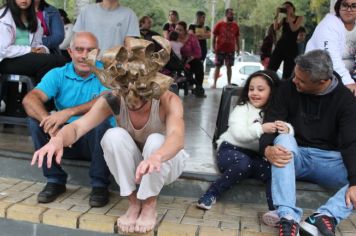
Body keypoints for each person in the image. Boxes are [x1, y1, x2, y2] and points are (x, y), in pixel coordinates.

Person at [31, 36, 188, 234]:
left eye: (140, 96)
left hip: (166, 162)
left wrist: (157, 156)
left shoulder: (168, 99)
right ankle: (133, 203)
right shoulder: (114, 98)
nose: (133, 103)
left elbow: (177, 136)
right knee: (113, 135)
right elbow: (79, 127)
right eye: (127, 95)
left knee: (156, 141)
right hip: (135, 164)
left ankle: (149, 205)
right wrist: (58, 140)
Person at [260, 50, 356, 236]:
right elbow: (271, 122)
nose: (295, 81)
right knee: (284, 138)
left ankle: (324, 216)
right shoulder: (288, 87)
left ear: (322, 82)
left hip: (330, 162)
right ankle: (288, 217)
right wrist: (266, 149)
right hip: (295, 157)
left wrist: (355, 182)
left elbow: (351, 142)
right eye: (295, 75)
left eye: (301, 80)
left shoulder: (345, 100)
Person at [23, 32, 114, 207]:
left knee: (102, 125)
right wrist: (48, 123)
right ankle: (55, 180)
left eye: (90, 50)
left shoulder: (107, 73)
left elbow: (108, 101)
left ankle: (100, 185)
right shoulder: (58, 74)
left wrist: (69, 112)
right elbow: (29, 99)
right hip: (61, 141)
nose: (84, 55)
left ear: (98, 53)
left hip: (94, 143)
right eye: (79, 50)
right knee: (35, 121)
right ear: (70, 52)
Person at [196, 70, 293, 213]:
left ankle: (275, 210)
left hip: (256, 157)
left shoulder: (275, 111)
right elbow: (238, 133)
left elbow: (288, 128)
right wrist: (260, 129)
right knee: (243, 164)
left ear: (272, 92)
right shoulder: (242, 107)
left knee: (271, 170)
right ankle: (211, 193)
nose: (254, 93)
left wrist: (288, 129)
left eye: (261, 89)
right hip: (231, 150)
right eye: (251, 89)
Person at [0, 0, 66, 83]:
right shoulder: (3, 18)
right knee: (51, 61)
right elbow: (3, 50)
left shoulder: (35, 19)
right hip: (5, 60)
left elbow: (37, 43)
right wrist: (29, 50)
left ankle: (39, 92)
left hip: (27, 57)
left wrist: (42, 49)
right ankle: (40, 93)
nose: (24, 0)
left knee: (60, 61)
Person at [306, 0, 356, 95]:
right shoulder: (329, 25)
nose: (349, 9)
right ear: (338, 7)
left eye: (354, 6)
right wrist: (349, 82)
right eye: (345, 5)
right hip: (318, 79)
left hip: (344, 80)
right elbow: (330, 59)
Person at [73, 0, 140, 52]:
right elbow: (76, 40)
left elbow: (129, 46)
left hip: (114, 66)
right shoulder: (87, 11)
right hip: (88, 64)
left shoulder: (129, 15)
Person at [268, 1, 304, 80]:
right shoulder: (284, 19)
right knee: (271, 67)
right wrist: (276, 15)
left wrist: (289, 17)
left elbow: (294, 29)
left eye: (287, 7)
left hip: (291, 47)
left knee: (288, 72)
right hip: (281, 45)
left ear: (292, 8)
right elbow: (275, 28)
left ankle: (285, 89)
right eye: (284, 8)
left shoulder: (299, 18)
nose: (286, 9)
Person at [176, 21, 206, 98]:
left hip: (191, 58)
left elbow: (198, 52)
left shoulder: (192, 37)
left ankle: (199, 88)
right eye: (176, 29)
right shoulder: (173, 37)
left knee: (199, 65)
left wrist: (188, 60)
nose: (178, 31)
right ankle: (188, 84)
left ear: (185, 30)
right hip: (177, 60)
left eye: (180, 30)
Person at [212, 8, 240, 89]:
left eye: (233, 14)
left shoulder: (235, 25)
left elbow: (237, 37)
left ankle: (229, 83)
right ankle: (214, 84)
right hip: (220, 49)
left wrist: (238, 48)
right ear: (226, 14)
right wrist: (213, 47)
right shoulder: (219, 24)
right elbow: (214, 36)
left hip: (231, 49)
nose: (232, 15)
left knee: (229, 66)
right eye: (230, 14)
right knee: (218, 66)